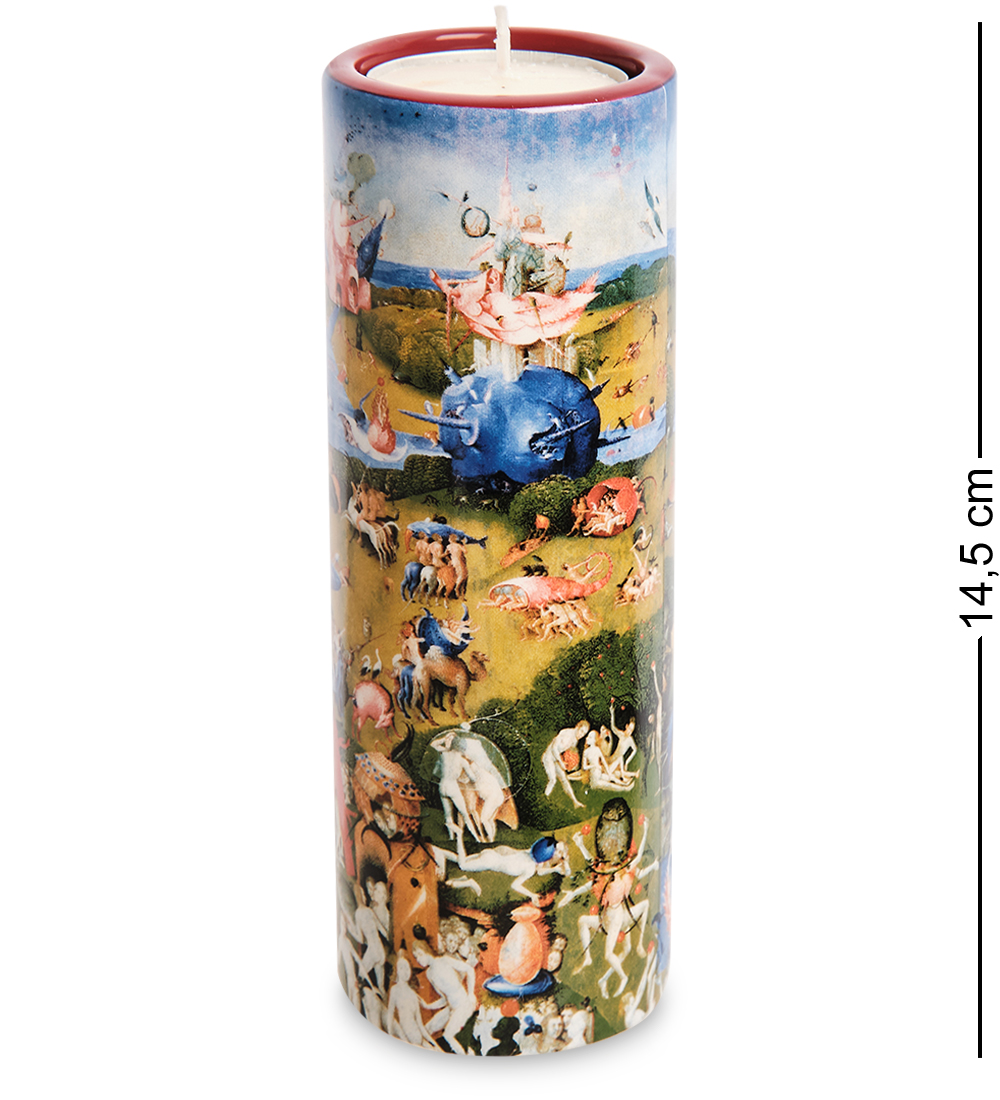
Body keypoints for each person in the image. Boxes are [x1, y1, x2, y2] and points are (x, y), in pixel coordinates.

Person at [411, 941, 477, 1055]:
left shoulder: (445, 960)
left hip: (463, 1004)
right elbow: (444, 999)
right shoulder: (429, 973)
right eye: (416, 957)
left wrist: (471, 994)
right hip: (451, 1007)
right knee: (426, 1029)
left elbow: (469, 970)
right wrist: (427, 1006)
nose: (419, 960)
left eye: (420, 954)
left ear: (427, 951)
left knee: (448, 1035)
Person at [387, 957, 439, 1050]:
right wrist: (390, 1033)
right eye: (401, 967)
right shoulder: (395, 990)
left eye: (407, 968)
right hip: (407, 1040)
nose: (405, 971)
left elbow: (420, 1025)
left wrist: (434, 1044)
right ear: (397, 971)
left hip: (419, 1038)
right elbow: (390, 1014)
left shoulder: (413, 994)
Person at [541, 721, 588, 808]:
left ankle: (575, 802)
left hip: (557, 759)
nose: (581, 735)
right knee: (553, 780)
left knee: (564, 779)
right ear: (577, 726)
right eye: (581, 731)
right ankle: (544, 799)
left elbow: (569, 754)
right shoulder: (566, 733)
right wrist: (561, 762)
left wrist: (572, 764)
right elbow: (554, 749)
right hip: (549, 757)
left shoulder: (575, 740)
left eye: (584, 734)